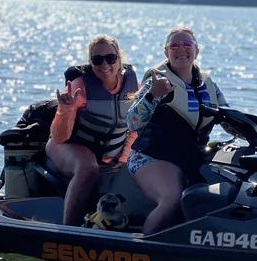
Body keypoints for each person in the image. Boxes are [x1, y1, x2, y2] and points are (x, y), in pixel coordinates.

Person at [127, 27, 227, 235]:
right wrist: (152, 96)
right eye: (174, 45)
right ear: (166, 53)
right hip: (151, 156)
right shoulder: (157, 81)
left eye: (187, 44)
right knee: (172, 198)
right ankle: (144, 250)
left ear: (196, 51)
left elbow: (227, 117)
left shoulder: (209, 84)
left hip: (191, 156)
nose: (181, 49)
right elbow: (132, 122)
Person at [46, 34, 138, 225]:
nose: (105, 65)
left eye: (110, 58)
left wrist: (123, 159)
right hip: (66, 146)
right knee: (87, 167)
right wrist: (65, 109)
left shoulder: (132, 87)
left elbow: (134, 127)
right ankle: (69, 230)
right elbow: (59, 136)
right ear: (90, 62)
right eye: (97, 60)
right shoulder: (79, 87)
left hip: (107, 154)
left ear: (119, 59)